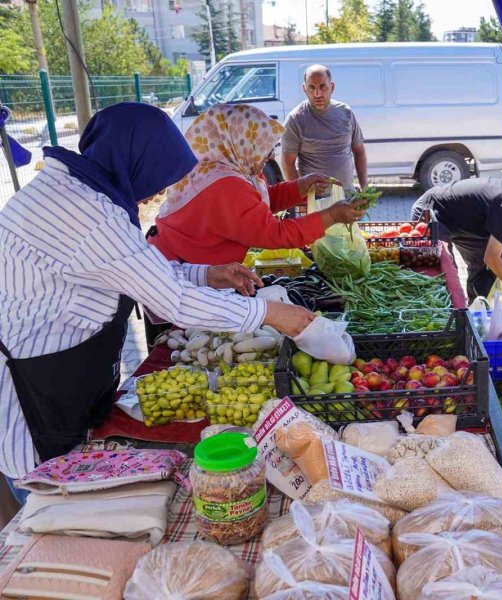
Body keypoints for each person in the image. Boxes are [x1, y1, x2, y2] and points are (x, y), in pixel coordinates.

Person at [0, 103, 316, 504]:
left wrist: (206, 273)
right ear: (135, 160)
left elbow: (129, 269)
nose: (159, 193)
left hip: (62, 377)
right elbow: (173, 301)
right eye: (160, 179)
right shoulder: (89, 214)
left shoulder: (75, 191)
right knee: (53, 515)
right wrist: (269, 312)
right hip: (34, 398)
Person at [149, 104, 366, 266]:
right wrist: (332, 216)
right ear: (239, 143)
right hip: (179, 269)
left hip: (188, 261)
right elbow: (274, 234)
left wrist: (301, 186)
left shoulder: (226, 169)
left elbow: (253, 208)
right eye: (263, 147)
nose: (269, 155)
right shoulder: (224, 184)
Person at [410, 178, 502, 301]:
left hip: (464, 221)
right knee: (445, 276)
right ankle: (452, 320)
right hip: (432, 210)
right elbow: (492, 258)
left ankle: (477, 313)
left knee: (486, 274)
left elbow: (497, 217)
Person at [280, 65, 367, 193]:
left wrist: (364, 189)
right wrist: (300, 198)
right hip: (316, 202)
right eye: (312, 87)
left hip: (348, 198)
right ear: (304, 89)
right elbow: (287, 163)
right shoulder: (295, 119)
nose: (317, 94)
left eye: (322, 87)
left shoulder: (345, 113)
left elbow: (359, 150)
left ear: (332, 87)